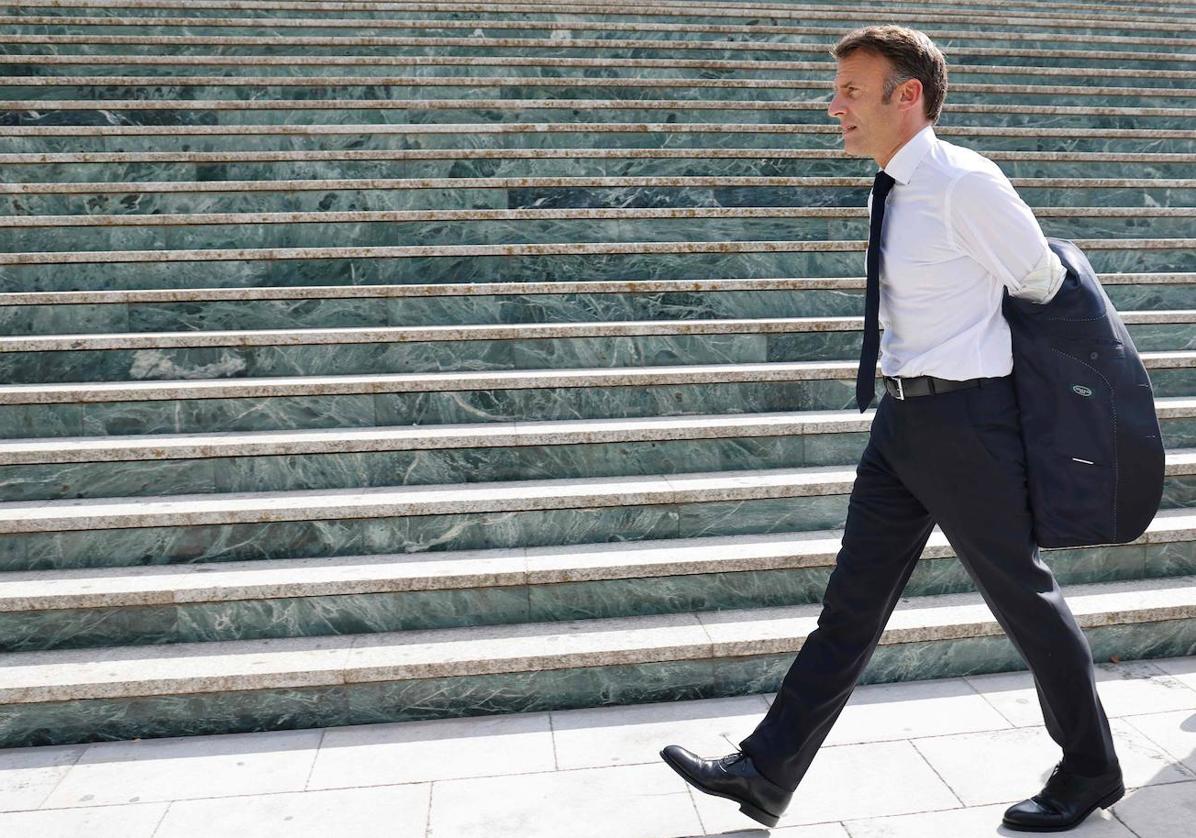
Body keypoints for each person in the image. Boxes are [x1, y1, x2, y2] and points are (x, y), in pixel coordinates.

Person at [660, 24, 1125, 832]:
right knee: (851, 605)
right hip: (903, 421)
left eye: (849, 89)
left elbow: (1043, 279)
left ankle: (1090, 769)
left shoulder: (962, 183)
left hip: (968, 423)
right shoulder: (897, 184)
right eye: (835, 88)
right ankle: (766, 772)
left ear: (905, 96)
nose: (832, 103)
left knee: (1024, 599)